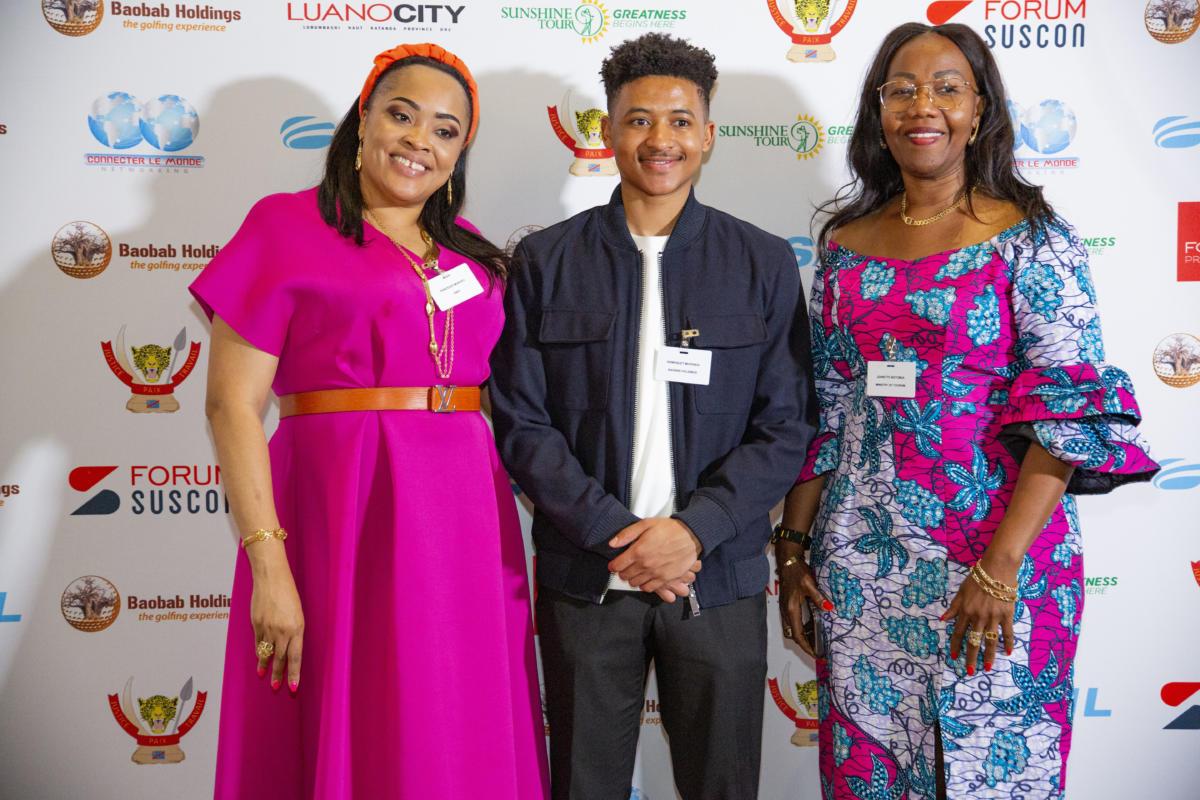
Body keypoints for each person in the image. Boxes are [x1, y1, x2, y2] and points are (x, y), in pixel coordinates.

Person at [775, 22, 1159, 800]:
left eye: (948, 88)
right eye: (903, 89)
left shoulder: (1033, 239)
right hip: (861, 568)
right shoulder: (844, 246)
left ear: (980, 109)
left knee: (990, 773)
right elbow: (828, 408)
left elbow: (1069, 418)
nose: (924, 106)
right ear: (879, 111)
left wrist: (1000, 568)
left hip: (993, 562)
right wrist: (792, 548)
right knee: (871, 778)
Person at [190, 43, 549, 799]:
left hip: (463, 525)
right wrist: (269, 565)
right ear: (363, 121)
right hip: (342, 517)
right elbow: (231, 405)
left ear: (460, 152)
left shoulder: (468, 254)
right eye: (402, 115)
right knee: (354, 713)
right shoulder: (286, 224)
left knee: (453, 715)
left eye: (446, 130)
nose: (420, 140)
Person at [489, 33, 816, 800]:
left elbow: (787, 425)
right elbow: (521, 422)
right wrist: (619, 535)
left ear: (708, 135)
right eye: (638, 120)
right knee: (583, 784)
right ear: (608, 131)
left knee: (723, 785)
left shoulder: (762, 262)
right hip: (586, 581)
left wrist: (692, 532)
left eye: (679, 120)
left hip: (717, 578)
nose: (659, 139)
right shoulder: (546, 261)